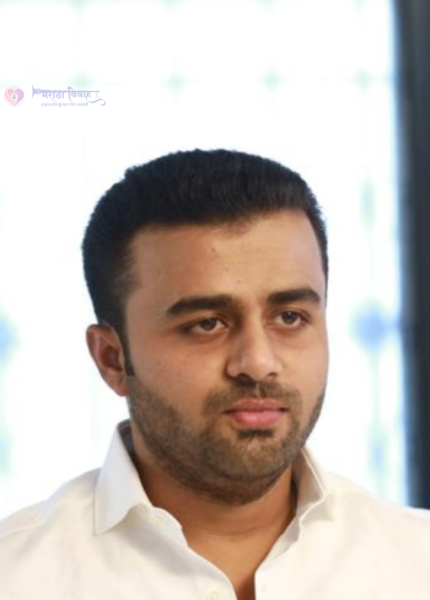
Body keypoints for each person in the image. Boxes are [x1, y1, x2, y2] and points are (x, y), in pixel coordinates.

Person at [0, 149, 429, 600]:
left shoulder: (416, 563)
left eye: (289, 317)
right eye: (207, 323)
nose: (258, 362)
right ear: (112, 359)